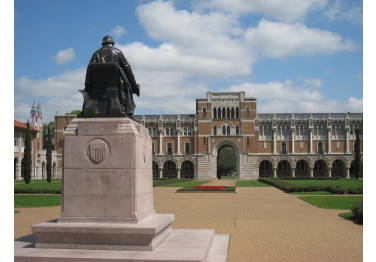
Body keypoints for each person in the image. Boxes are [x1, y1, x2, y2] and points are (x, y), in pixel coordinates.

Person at [84, 35, 140, 117]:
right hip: (116, 85)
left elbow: (89, 69)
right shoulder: (117, 52)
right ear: (112, 42)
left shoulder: (96, 53)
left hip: (97, 87)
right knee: (127, 85)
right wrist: (133, 84)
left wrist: (87, 84)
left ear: (103, 43)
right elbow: (127, 68)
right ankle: (125, 108)